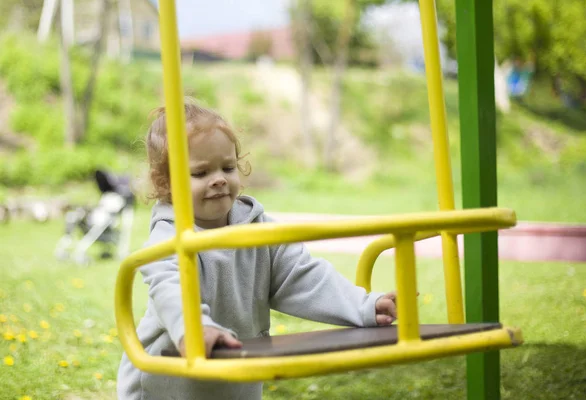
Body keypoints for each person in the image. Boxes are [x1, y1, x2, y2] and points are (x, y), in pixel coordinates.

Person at [117, 99, 399, 400]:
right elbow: (170, 290)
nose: (219, 180)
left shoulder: (256, 228)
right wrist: (194, 329)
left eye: (228, 167)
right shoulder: (168, 236)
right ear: (166, 182)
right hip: (169, 385)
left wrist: (363, 306)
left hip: (236, 380)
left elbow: (302, 275)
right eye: (200, 173)